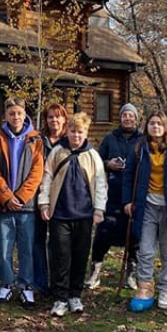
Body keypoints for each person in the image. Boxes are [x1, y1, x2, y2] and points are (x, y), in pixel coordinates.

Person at [123, 112, 167, 312]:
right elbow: (129, 173)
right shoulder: (139, 147)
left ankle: (165, 288)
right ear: (147, 126)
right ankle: (145, 286)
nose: (155, 126)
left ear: (165, 126)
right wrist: (127, 201)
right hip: (146, 205)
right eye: (152, 123)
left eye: (159, 123)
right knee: (145, 250)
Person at [38, 112, 107, 317]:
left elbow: (100, 183)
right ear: (66, 131)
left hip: (84, 214)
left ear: (86, 133)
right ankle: (60, 297)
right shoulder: (58, 152)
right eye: (72, 131)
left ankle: (74, 294)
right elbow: (47, 178)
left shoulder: (92, 155)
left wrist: (99, 209)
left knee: (80, 255)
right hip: (60, 213)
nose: (76, 135)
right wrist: (44, 203)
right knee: (61, 256)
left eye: (80, 132)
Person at [0, 97, 44, 308]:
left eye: (19, 113)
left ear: (25, 114)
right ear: (6, 115)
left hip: (26, 205)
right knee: (4, 247)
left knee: (26, 247)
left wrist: (20, 197)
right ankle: (6, 284)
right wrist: (6, 196)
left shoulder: (35, 139)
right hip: (4, 204)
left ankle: (26, 286)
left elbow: (37, 172)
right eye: (11, 113)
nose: (15, 117)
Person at [86, 102, 142, 290]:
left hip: (134, 194)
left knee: (134, 236)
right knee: (103, 233)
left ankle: (131, 274)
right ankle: (95, 271)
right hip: (112, 194)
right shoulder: (110, 139)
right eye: (125, 115)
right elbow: (97, 161)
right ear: (120, 118)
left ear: (136, 118)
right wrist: (108, 164)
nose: (128, 118)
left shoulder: (142, 140)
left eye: (131, 115)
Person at [35, 103, 68, 296]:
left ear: (64, 119)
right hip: (38, 196)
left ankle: (58, 284)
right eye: (50, 117)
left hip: (62, 199)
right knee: (37, 241)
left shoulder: (70, 141)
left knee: (57, 244)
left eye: (58, 117)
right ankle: (40, 282)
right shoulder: (38, 141)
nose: (54, 120)